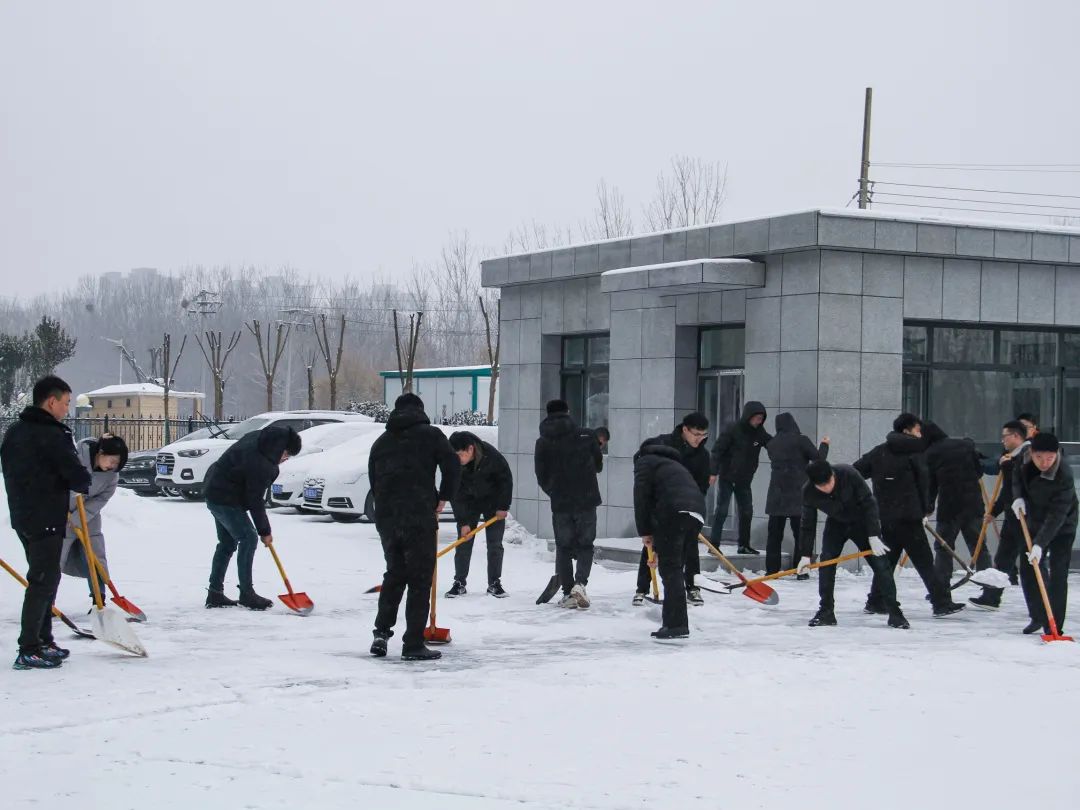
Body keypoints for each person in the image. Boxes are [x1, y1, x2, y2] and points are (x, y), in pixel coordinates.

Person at [0, 376, 92, 670]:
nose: (67, 409)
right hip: (46, 517)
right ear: (51, 401)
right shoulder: (52, 434)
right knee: (43, 581)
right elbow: (76, 474)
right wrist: (82, 478)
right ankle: (29, 647)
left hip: (23, 517)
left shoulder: (15, 432)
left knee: (45, 577)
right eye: (65, 403)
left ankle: (44, 639)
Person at [368, 393, 460, 660]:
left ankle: (381, 633)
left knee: (394, 574)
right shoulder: (430, 435)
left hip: (386, 517)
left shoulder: (381, 441)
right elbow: (452, 465)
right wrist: (443, 497)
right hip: (418, 514)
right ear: (420, 410)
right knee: (420, 579)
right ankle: (413, 644)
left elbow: (375, 482)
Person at [856, 414, 964, 620]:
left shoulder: (880, 451)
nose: (920, 433)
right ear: (907, 430)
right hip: (909, 516)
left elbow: (857, 471)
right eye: (917, 429)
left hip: (886, 517)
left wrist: (872, 500)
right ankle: (941, 603)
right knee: (924, 562)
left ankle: (876, 601)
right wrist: (926, 509)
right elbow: (924, 484)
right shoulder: (916, 452)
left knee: (887, 562)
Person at [203, 424, 302, 610]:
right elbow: (255, 500)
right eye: (286, 455)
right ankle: (247, 594)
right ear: (280, 449)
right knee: (248, 538)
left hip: (215, 489)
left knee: (227, 543)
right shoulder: (261, 464)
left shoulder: (259, 437)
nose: (285, 460)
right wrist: (265, 531)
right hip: (224, 497)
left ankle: (215, 593)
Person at [799, 461, 903, 628]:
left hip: (862, 523)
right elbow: (807, 524)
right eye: (821, 486)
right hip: (836, 525)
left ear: (833, 474)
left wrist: (874, 535)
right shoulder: (808, 492)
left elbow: (869, 503)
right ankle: (826, 611)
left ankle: (895, 613)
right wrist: (805, 555)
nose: (826, 488)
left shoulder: (848, 473)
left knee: (881, 564)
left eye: (828, 483)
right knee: (826, 564)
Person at [633, 412, 712, 606]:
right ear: (685, 429)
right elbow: (642, 464)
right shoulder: (662, 444)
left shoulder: (703, 455)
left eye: (704, 435)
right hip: (659, 503)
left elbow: (702, 486)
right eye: (696, 434)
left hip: (686, 507)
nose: (699, 439)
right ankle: (642, 588)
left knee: (690, 545)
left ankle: (692, 587)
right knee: (651, 543)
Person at [633, 442, 706, 640]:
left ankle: (676, 625)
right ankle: (678, 621)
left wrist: (645, 532)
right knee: (675, 566)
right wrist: (657, 549)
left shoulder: (645, 462)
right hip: (696, 513)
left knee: (670, 569)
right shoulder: (674, 465)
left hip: (674, 512)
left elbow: (642, 500)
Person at [534, 400, 603, 609]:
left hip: (561, 502)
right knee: (585, 545)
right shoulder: (586, 435)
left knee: (563, 547)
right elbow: (598, 465)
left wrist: (554, 491)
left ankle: (567, 591)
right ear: (568, 412)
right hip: (587, 499)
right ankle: (580, 584)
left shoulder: (542, 442)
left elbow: (541, 474)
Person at [1013, 432, 1076, 635]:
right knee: (1028, 568)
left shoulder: (1064, 475)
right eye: (1039, 457)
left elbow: (1057, 515)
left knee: (1058, 573)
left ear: (1056, 454)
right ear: (1031, 453)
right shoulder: (1023, 459)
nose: (1044, 463)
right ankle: (1038, 616)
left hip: (1062, 525)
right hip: (1033, 520)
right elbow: (1015, 478)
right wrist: (1018, 498)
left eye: (1050, 458)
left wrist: (1040, 544)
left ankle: (1054, 625)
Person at [970, 420, 1034, 613]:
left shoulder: (1028, 454)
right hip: (1012, 515)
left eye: (1005, 436)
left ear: (1016, 436)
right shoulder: (1012, 457)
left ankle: (1041, 602)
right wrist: (994, 511)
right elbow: (1007, 490)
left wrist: (1008, 468)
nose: (1002, 440)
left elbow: (1021, 485)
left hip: (1025, 517)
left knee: (1030, 560)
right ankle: (991, 596)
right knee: (1004, 558)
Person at [60, 434, 128, 604]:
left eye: (117, 465)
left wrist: (80, 516)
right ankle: (47, 602)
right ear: (101, 453)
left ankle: (99, 599)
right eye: (112, 461)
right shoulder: (75, 458)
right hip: (61, 516)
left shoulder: (111, 476)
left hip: (88, 518)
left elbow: (102, 498)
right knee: (55, 559)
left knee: (94, 557)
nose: (113, 467)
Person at [445, 430, 513, 598]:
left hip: (493, 502)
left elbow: (506, 480)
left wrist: (503, 506)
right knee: (464, 541)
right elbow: (455, 493)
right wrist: (463, 522)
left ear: (470, 449)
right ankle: (459, 582)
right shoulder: (455, 464)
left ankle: (494, 583)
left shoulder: (491, 456)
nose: (458, 460)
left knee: (495, 544)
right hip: (469, 503)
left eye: (460, 455)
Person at [922, 422, 990, 585]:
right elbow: (979, 472)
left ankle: (942, 587)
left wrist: (928, 507)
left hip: (950, 507)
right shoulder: (965, 445)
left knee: (944, 547)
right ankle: (990, 589)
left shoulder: (930, 453)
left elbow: (931, 485)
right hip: (974, 504)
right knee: (978, 547)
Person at [764, 413, 828, 577]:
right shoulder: (802, 440)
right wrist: (824, 445)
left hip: (776, 494)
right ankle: (800, 569)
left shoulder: (772, 443)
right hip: (798, 493)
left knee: (774, 536)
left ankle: (772, 570)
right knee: (801, 534)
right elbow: (818, 460)